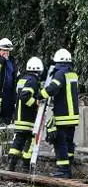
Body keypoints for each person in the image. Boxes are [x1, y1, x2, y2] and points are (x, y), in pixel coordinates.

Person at [39, 48, 79, 178]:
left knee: (59, 141)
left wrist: (40, 95)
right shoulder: (72, 74)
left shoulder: (59, 73)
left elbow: (53, 88)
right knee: (68, 141)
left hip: (63, 114)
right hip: (73, 116)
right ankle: (69, 165)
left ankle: (63, 170)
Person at [6, 57, 44, 172]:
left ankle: (11, 165)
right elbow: (25, 96)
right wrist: (36, 104)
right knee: (30, 141)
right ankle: (25, 167)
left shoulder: (22, 79)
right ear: (39, 69)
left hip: (19, 116)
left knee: (18, 140)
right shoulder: (32, 80)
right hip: (27, 118)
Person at [0, 38, 17, 123]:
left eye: (8, 51)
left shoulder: (11, 61)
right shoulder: (1, 61)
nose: (6, 53)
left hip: (9, 92)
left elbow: (15, 76)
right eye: (4, 50)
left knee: (8, 115)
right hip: (1, 92)